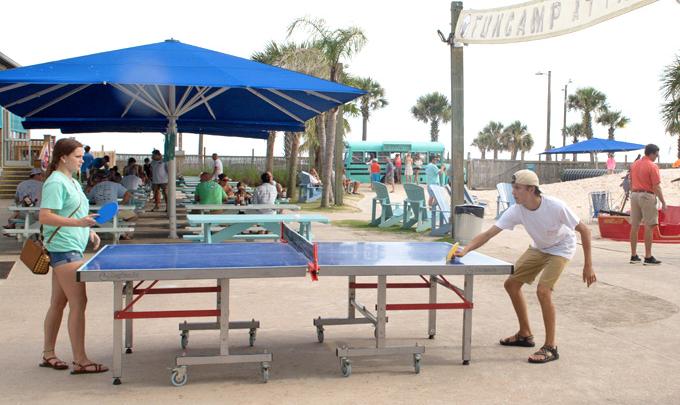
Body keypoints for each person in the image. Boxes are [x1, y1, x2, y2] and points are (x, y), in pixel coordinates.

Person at [458, 169, 596, 364]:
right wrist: (466, 249)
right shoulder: (517, 210)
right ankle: (525, 334)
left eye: (517, 188)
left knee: (543, 291)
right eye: (513, 188)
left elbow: (585, 230)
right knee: (511, 284)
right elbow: (489, 234)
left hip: (561, 248)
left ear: (531, 189)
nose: (513, 192)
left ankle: (551, 347)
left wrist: (588, 265)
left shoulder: (556, 206)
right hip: (539, 247)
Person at [38, 138, 108, 374]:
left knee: (58, 303)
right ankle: (81, 360)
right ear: (63, 158)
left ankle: (48, 354)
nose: (82, 160)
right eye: (78, 156)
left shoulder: (73, 181)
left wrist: (86, 230)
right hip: (64, 248)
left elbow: (73, 211)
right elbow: (45, 217)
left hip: (73, 246)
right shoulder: (55, 182)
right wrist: (78, 223)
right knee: (79, 302)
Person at [629, 144, 667, 265]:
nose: (657, 156)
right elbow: (656, 186)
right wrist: (663, 201)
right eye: (656, 154)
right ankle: (648, 256)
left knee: (634, 226)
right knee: (649, 225)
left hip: (634, 194)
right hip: (646, 195)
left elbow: (631, 181)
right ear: (651, 154)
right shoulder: (652, 166)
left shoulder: (634, 164)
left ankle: (634, 255)